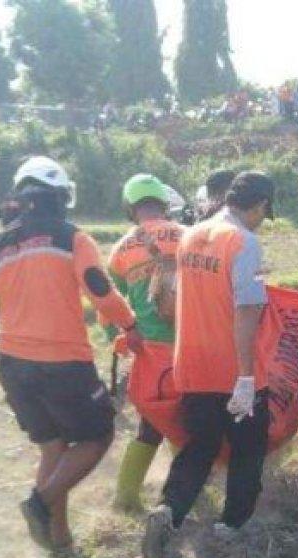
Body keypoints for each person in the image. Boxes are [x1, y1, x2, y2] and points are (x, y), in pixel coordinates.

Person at [0, 157, 143, 552]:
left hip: (12, 366)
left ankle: (59, 540)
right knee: (98, 436)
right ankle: (40, 503)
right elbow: (100, 290)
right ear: (60, 197)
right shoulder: (72, 239)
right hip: (64, 365)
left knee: (53, 449)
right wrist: (130, 325)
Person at [143, 172, 277, 558]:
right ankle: (230, 526)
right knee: (248, 450)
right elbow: (247, 310)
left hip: (191, 365)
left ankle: (169, 510)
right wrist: (247, 377)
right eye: (264, 213)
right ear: (260, 205)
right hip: (233, 369)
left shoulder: (191, 235)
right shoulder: (244, 242)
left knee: (199, 447)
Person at [107, 175, 188, 512]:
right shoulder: (189, 236)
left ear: (131, 208)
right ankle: (186, 489)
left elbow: (109, 304)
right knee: (188, 420)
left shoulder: (120, 250)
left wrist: (117, 338)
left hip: (150, 353)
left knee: (153, 423)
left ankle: (126, 497)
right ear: (164, 203)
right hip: (192, 348)